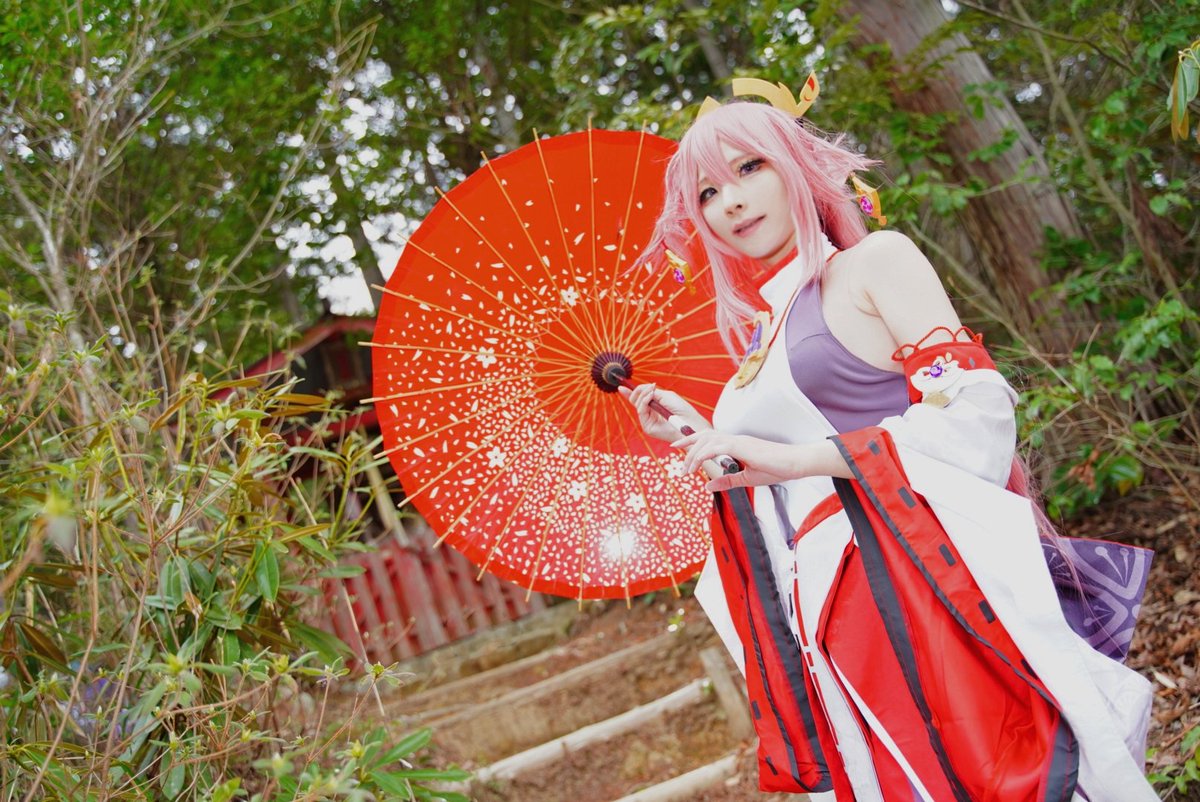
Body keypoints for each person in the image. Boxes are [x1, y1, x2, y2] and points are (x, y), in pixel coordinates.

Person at [620, 89, 1156, 801]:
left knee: (985, 772)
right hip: (827, 608)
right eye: (709, 193)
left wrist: (799, 458)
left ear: (792, 164)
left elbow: (975, 411)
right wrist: (697, 431)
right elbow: (775, 475)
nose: (731, 202)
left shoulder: (874, 263)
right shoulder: (761, 332)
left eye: (749, 168)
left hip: (914, 576)